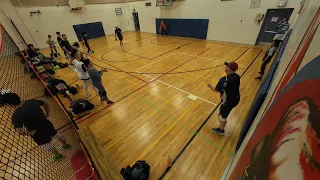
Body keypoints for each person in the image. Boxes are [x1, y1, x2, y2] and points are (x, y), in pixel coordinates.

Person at [11, 96, 71, 162]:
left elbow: (20, 131)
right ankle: (66, 145)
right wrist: (47, 114)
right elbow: (45, 103)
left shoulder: (16, 115)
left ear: (9, 104)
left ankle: (58, 155)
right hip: (46, 123)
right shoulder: (30, 102)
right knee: (55, 134)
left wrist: (30, 133)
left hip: (36, 131)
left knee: (45, 144)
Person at [207, 62, 240, 136]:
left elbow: (216, 90)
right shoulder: (237, 76)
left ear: (229, 69)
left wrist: (210, 86)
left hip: (228, 102)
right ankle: (222, 125)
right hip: (236, 99)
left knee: (221, 116)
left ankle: (221, 130)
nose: (225, 67)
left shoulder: (224, 80)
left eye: (227, 66)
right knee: (223, 113)